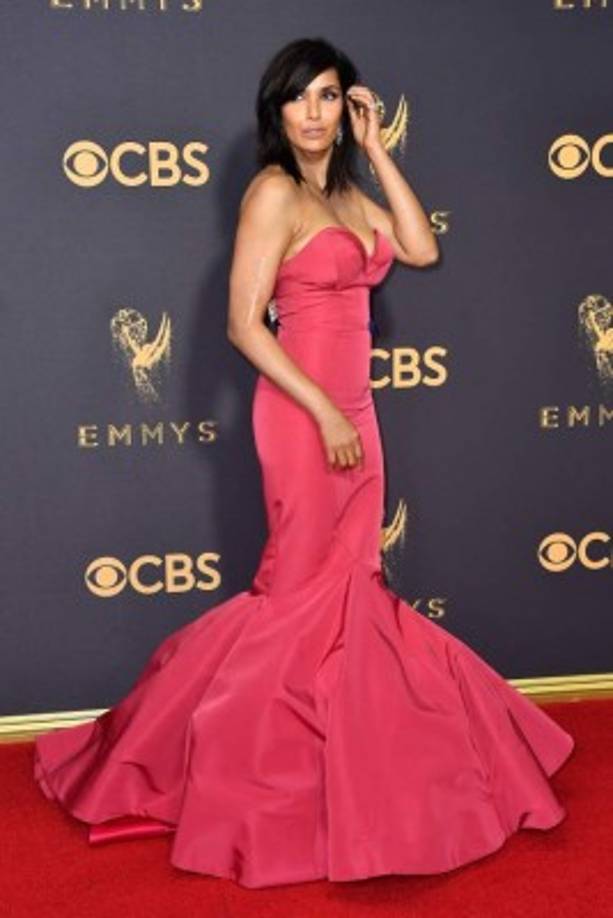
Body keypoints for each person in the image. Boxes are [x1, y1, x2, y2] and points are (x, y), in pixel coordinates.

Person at [33, 37, 575, 889]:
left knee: (351, 594)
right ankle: (223, 774)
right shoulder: (272, 193)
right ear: (276, 110)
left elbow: (421, 248)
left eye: (329, 95)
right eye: (299, 97)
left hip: (357, 414)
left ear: (348, 106)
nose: (314, 113)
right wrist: (321, 411)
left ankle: (337, 779)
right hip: (300, 414)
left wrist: (379, 151)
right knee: (295, 597)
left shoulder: (351, 195)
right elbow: (243, 325)